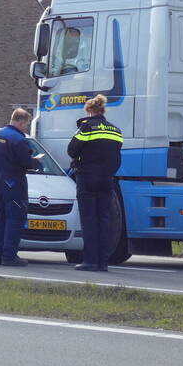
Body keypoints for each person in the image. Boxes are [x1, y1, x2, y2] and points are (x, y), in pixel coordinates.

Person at [67, 94, 123, 272]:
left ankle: (90, 261)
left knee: (89, 220)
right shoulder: (116, 130)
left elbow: (72, 150)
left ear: (89, 111)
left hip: (87, 178)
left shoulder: (87, 127)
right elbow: (116, 155)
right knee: (104, 220)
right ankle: (103, 262)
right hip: (107, 179)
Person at [0, 108, 40, 267]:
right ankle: (9, 256)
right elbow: (26, 162)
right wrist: (36, 162)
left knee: (1, 218)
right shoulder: (18, 139)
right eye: (26, 124)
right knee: (14, 219)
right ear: (21, 122)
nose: (26, 127)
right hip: (13, 184)